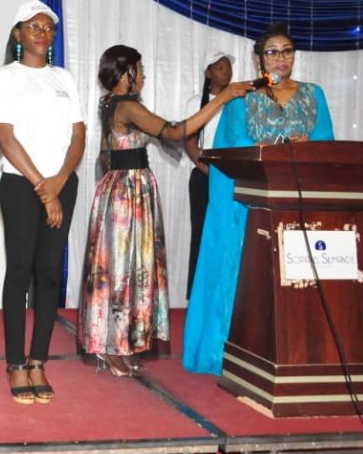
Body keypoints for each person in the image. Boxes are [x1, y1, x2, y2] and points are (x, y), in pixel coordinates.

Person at [78, 46, 252, 377]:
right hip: (127, 192)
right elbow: (174, 131)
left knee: (130, 267)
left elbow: (106, 150)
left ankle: (121, 343)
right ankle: (111, 346)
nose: (144, 75)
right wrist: (221, 99)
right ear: (125, 72)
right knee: (123, 269)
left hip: (126, 188)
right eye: (139, 69)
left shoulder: (111, 103)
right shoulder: (126, 105)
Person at [183, 22, 334, 374]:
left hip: (298, 200)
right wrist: (268, 149)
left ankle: (295, 349)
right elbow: (231, 148)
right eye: (273, 52)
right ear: (259, 60)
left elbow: (327, 143)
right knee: (247, 275)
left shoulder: (314, 93)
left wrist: (307, 146)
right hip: (251, 205)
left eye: (287, 51)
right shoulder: (242, 97)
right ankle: (239, 348)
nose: (281, 58)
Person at [0, 0, 86, 405]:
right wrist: (44, 188)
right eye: (34, 27)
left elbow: (78, 136)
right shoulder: (6, 78)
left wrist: (58, 182)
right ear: (18, 34)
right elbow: (5, 137)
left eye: (48, 28)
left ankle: (38, 361)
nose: (43, 34)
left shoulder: (64, 78)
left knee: (48, 273)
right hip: (19, 185)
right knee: (20, 270)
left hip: (62, 183)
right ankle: (15, 363)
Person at [184, 52, 234, 298]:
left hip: (232, 177)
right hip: (204, 176)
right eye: (220, 67)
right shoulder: (197, 102)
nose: (226, 71)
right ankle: (198, 295)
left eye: (228, 66)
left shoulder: (237, 102)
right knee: (202, 235)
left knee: (228, 234)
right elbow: (189, 140)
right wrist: (206, 169)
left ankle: (226, 293)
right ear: (208, 73)